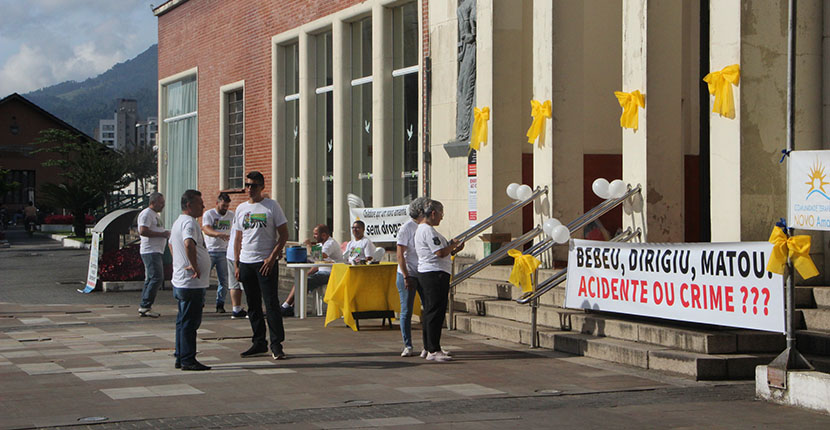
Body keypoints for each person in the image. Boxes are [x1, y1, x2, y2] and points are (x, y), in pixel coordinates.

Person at [233, 171, 289, 360]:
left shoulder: (271, 206)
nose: (250, 189)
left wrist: (272, 257)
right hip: (246, 261)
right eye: (247, 185)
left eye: (254, 186)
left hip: (265, 262)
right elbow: (238, 238)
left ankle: (276, 343)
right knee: (253, 305)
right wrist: (237, 263)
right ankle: (258, 342)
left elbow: (284, 234)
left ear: (262, 187)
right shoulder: (241, 208)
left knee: (271, 303)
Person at [414, 199, 463, 362]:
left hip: (430, 272)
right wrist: (452, 246)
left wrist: (452, 248)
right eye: (441, 214)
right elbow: (440, 252)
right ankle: (433, 349)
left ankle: (429, 346)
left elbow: (441, 250)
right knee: (435, 311)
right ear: (433, 213)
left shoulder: (425, 230)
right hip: (434, 273)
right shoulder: (428, 230)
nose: (442, 218)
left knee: (430, 310)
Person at [169, 189, 211, 371]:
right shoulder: (190, 223)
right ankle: (187, 358)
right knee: (190, 321)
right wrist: (193, 265)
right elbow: (188, 243)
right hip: (191, 282)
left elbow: (171, 244)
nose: (203, 206)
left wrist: (180, 261)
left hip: (182, 280)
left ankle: (181, 355)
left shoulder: (178, 222)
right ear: (189, 205)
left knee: (183, 319)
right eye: (200, 203)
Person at [281, 224, 344, 317]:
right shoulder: (320, 244)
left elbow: (320, 256)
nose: (314, 236)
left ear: (323, 235)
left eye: (315, 234)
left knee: (306, 282)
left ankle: (286, 306)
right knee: (301, 280)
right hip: (322, 271)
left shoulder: (330, 243)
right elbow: (317, 263)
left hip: (332, 273)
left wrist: (309, 246)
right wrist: (307, 272)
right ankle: (291, 307)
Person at [396, 197, 427, 357]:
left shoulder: (426, 227)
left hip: (423, 271)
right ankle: (408, 345)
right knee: (406, 310)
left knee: (427, 308)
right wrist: (407, 276)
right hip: (407, 272)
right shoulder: (406, 228)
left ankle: (428, 345)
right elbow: (400, 254)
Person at [137, 192, 170, 318]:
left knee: (151, 278)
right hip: (150, 250)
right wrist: (162, 234)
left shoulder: (154, 215)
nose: (163, 205)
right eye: (161, 203)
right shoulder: (146, 214)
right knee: (157, 277)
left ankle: (145, 305)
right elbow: (143, 231)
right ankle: (145, 305)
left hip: (156, 250)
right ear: (153, 202)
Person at [201, 192, 234, 313]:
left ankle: (220, 303)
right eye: (223, 206)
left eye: (227, 206)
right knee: (204, 278)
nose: (225, 209)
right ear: (217, 203)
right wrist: (218, 234)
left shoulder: (231, 215)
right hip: (210, 250)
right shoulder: (209, 214)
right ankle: (201, 302)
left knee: (224, 279)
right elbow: (206, 229)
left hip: (224, 251)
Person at [225, 215, 248, 319]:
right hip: (240, 253)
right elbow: (239, 238)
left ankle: (236, 308)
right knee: (246, 283)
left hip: (231, 252)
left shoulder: (237, 215)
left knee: (234, 283)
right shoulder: (245, 217)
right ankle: (250, 308)